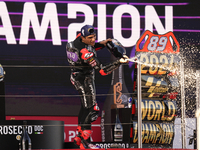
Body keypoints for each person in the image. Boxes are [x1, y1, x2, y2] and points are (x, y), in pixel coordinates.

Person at [66, 25, 129, 149]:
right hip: (84, 80)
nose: (93, 40)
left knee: (85, 108)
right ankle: (86, 142)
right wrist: (119, 62)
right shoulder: (85, 53)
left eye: (94, 36)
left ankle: (79, 138)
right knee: (92, 110)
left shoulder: (76, 41)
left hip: (76, 76)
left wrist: (103, 43)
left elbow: (91, 46)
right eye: (90, 38)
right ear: (83, 37)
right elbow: (103, 70)